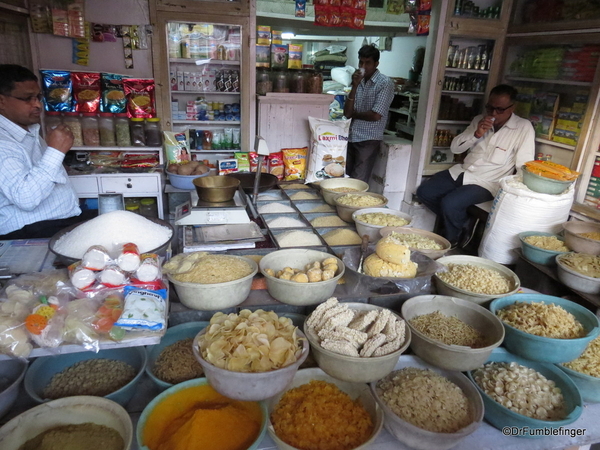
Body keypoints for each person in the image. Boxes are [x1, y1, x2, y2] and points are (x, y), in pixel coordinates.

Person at [416, 84, 535, 248]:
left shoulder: (523, 127)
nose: (493, 114)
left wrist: (519, 192)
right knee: (425, 191)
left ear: (512, 108)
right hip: (462, 172)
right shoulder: (478, 120)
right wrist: (476, 134)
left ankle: (452, 240)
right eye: (490, 108)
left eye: (499, 110)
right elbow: (455, 148)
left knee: (450, 203)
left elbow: (524, 163)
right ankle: (462, 222)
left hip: (487, 182)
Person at [0, 64, 96, 240]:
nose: (37, 104)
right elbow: (26, 198)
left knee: (121, 220)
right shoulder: (3, 143)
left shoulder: (29, 132)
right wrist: (55, 151)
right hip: (30, 231)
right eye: (27, 98)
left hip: (57, 222)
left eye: (38, 97)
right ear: (2, 101)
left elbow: (39, 173)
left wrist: (58, 165)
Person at [343, 44, 395, 183]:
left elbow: (376, 115)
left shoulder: (384, 83)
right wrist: (354, 85)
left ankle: (356, 205)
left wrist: (355, 114)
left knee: (358, 180)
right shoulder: (358, 80)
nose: (363, 66)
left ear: (376, 63)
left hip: (368, 139)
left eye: (368, 63)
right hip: (351, 136)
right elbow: (347, 113)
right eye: (361, 62)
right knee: (345, 176)